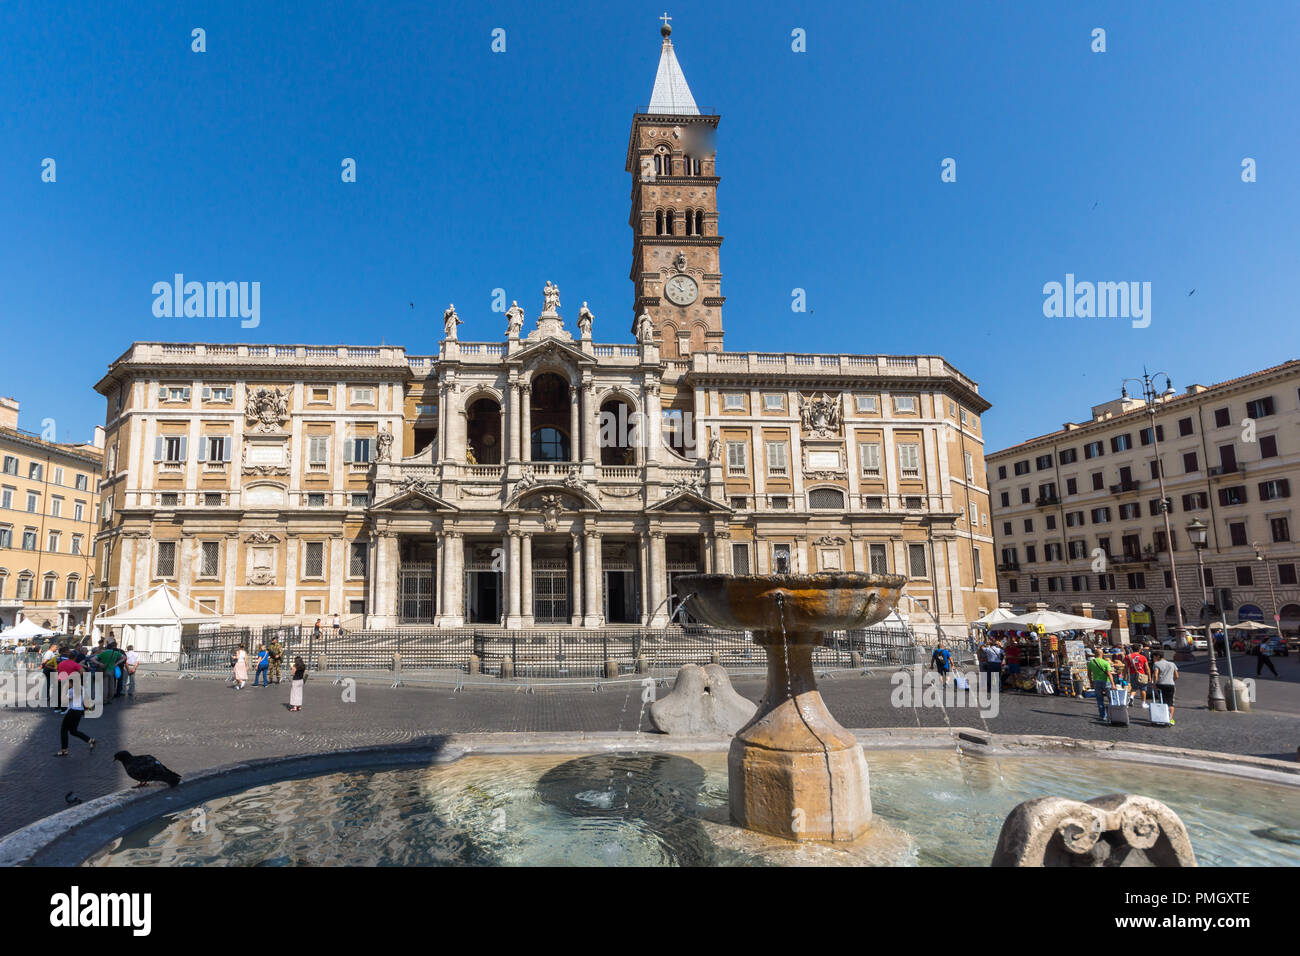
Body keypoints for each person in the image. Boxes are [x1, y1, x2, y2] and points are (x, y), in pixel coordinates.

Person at [53, 657, 95, 756]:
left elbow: (65, 701)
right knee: (73, 731)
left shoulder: (71, 690)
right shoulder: (82, 688)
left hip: (72, 711)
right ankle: (90, 740)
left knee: (64, 730)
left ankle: (64, 750)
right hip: (79, 712)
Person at [1151, 650, 1178, 725]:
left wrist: (1154, 684)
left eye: (1154, 657)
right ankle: (1170, 719)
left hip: (1160, 684)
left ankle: (1162, 717)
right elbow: (1177, 675)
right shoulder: (1172, 664)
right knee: (1171, 702)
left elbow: (1156, 675)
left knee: (1162, 701)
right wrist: (1171, 680)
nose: (1153, 659)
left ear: (1158, 656)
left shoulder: (1156, 664)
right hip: (1170, 685)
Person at [1086, 645, 1113, 722]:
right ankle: (1112, 714)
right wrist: (1113, 684)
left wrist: (1091, 682)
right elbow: (1109, 674)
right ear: (1102, 654)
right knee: (1111, 699)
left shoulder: (1092, 662)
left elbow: (1088, 674)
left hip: (1096, 682)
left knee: (1099, 700)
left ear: (1095, 654)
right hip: (1106, 682)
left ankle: (1103, 716)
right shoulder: (1105, 663)